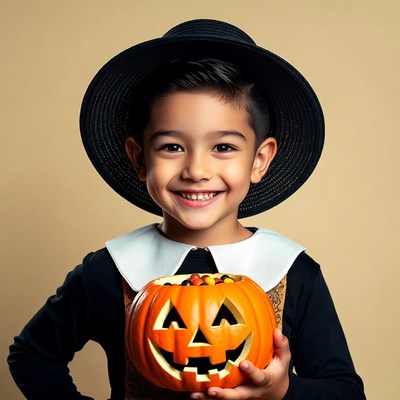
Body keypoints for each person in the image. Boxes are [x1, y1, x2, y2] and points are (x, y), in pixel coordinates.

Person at [8, 19, 366, 400]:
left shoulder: (293, 271)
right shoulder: (109, 269)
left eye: (224, 147)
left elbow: (345, 391)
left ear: (259, 160)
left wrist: (284, 391)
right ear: (140, 159)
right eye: (172, 147)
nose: (196, 170)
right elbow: (32, 355)